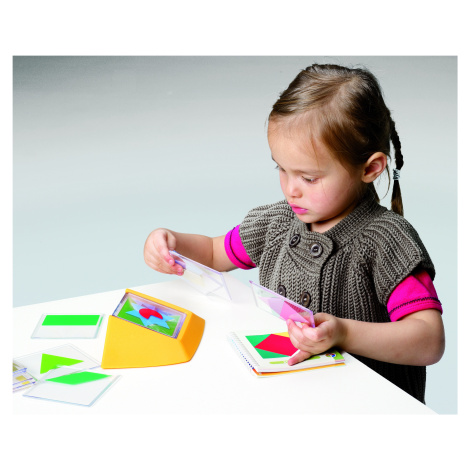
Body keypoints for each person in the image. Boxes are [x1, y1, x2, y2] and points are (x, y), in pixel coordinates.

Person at [143, 63, 444, 403]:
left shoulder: (387, 240)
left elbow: (429, 340)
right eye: (281, 169)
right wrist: (170, 242)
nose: (291, 189)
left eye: (309, 178)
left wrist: (344, 333)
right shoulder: (277, 222)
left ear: (370, 168)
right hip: (293, 399)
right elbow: (214, 253)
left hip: (368, 409)